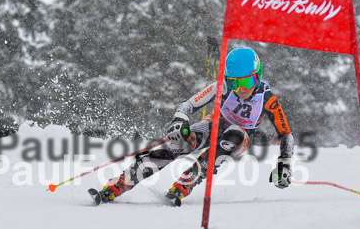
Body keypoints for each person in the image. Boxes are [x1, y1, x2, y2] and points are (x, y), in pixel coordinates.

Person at [89, 47, 294, 206]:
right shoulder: (221, 87)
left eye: (247, 83)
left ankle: (186, 182)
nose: (241, 90)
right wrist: (180, 120)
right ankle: (120, 183)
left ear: (257, 76)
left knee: (230, 137)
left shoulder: (268, 99)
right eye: (234, 83)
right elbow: (188, 104)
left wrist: (284, 163)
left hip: (240, 136)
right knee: (179, 145)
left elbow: (286, 134)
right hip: (214, 123)